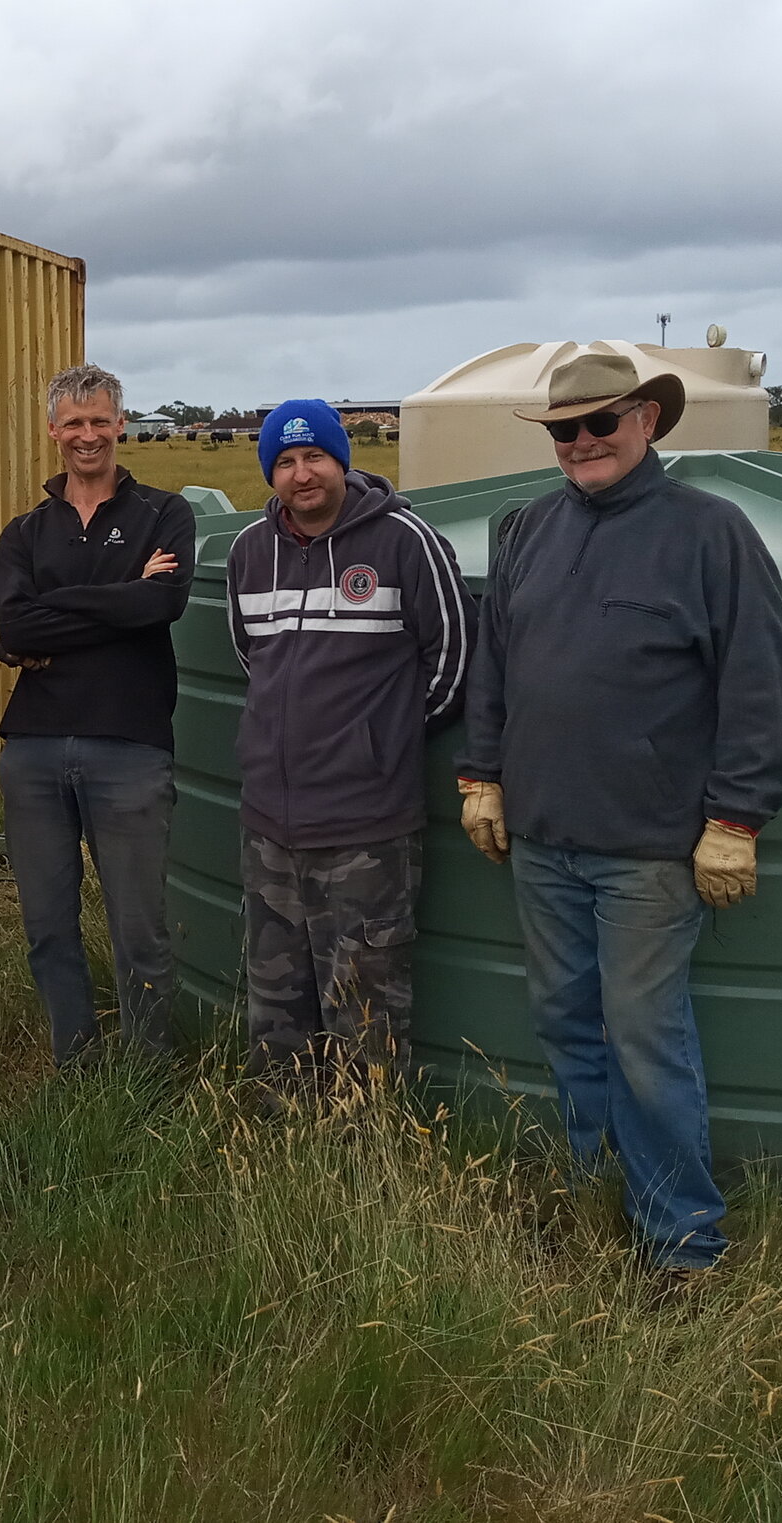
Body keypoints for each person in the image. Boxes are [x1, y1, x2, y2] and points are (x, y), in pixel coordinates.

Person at [455, 350, 782, 1285]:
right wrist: (480, 775)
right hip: (540, 838)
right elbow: (492, 662)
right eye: (564, 430)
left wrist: (737, 817)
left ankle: (683, 1245)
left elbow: (762, 686)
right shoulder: (527, 528)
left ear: (648, 420)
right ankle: (593, 1194)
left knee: (646, 1039)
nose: (581, 443)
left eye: (599, 424)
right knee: (566, 1023)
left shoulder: (710, 533)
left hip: (650, 850)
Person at [225, 399, 474, 1087]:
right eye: (284, 461)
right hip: (270, 825)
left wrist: (376, 741)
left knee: (365, 1003)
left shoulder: (405, 540)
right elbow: (256, 661)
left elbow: (451, 661)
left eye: (314, 457)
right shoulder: (249, 552)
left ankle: (365, 1155)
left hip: (367, 827)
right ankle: (282, 1145)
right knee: (276, 1001)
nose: (302, 474)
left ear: (343, 459)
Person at [0, 363, 196, 1068]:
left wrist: (54, 615)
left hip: (131, 745)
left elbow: (161, 605)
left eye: (99, 420)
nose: (87, 435)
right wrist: (119, 596)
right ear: (53, 431)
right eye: (73, 423)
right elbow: (15, 627)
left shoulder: (164, 514)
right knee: (48, 925)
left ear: (119, 424)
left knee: (139, 927)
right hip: (35, 749)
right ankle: (75, 1063)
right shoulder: (25, 532)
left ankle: (146, 1072)